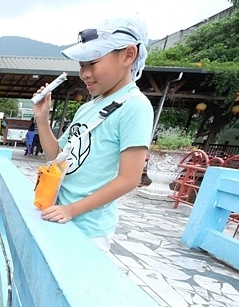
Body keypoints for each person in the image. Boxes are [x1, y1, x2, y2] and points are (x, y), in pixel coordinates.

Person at [32, 15, 153, 252]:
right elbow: (57, 156)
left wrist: (71, 210)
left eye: (93, 63)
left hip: (88, 229)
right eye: (82, 65)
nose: (85, 73)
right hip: (59, 214)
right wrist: (42, 119)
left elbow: (128, 180)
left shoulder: (135, 106)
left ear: (128, 55)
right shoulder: (88, 108)